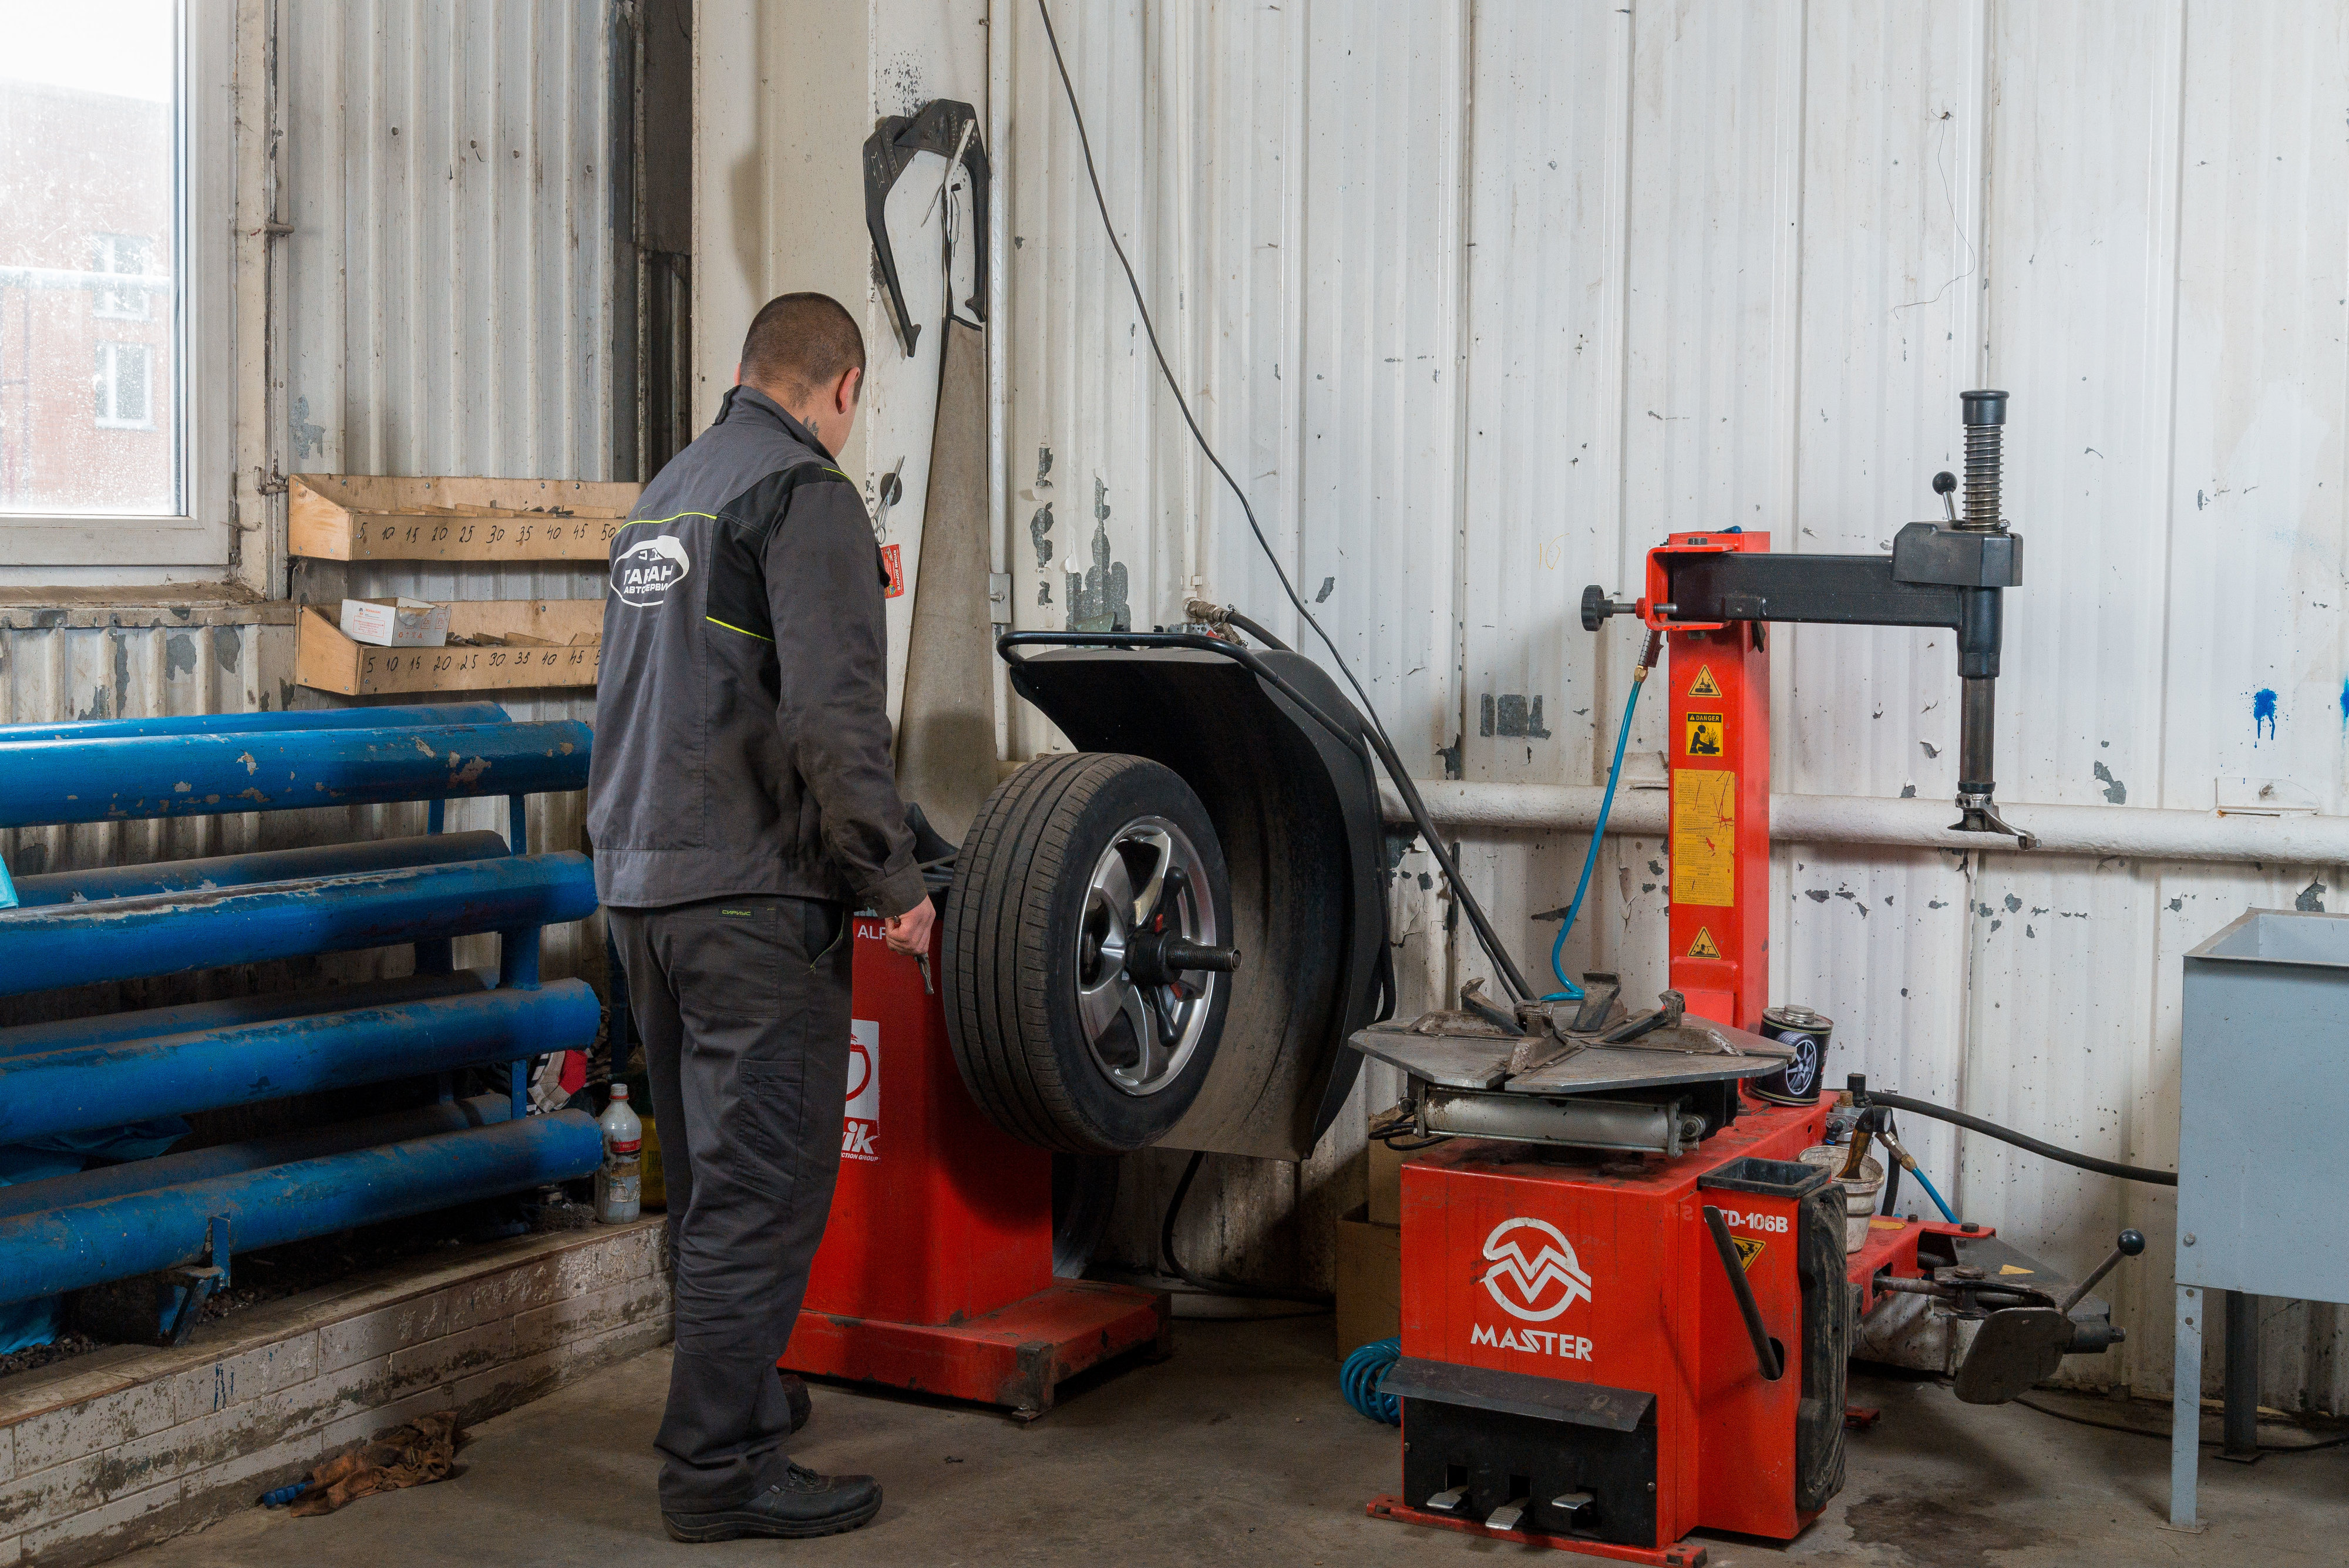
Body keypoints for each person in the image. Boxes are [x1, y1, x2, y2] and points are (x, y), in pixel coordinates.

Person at [588, 291, 934, 1542]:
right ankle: (718, 1470)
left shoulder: (671, 492)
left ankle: (740, 1399)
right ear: (842, 388)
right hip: (748, 893)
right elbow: (832, 720)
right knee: (763, 1192)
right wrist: (891, 884)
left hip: (641, 886)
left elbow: (674, 686)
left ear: (749, 372)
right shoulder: (807, 494)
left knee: (706, 1182)